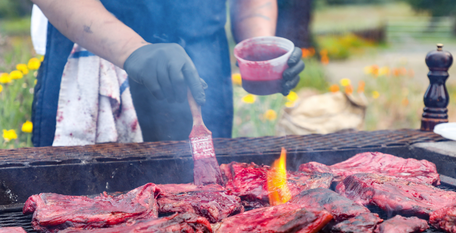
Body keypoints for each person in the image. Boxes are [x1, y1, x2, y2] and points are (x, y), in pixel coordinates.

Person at [31, 0, 305, 147]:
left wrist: (260, 48)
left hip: (203, 61)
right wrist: (131, 49)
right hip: (97, 51)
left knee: (208, 204)